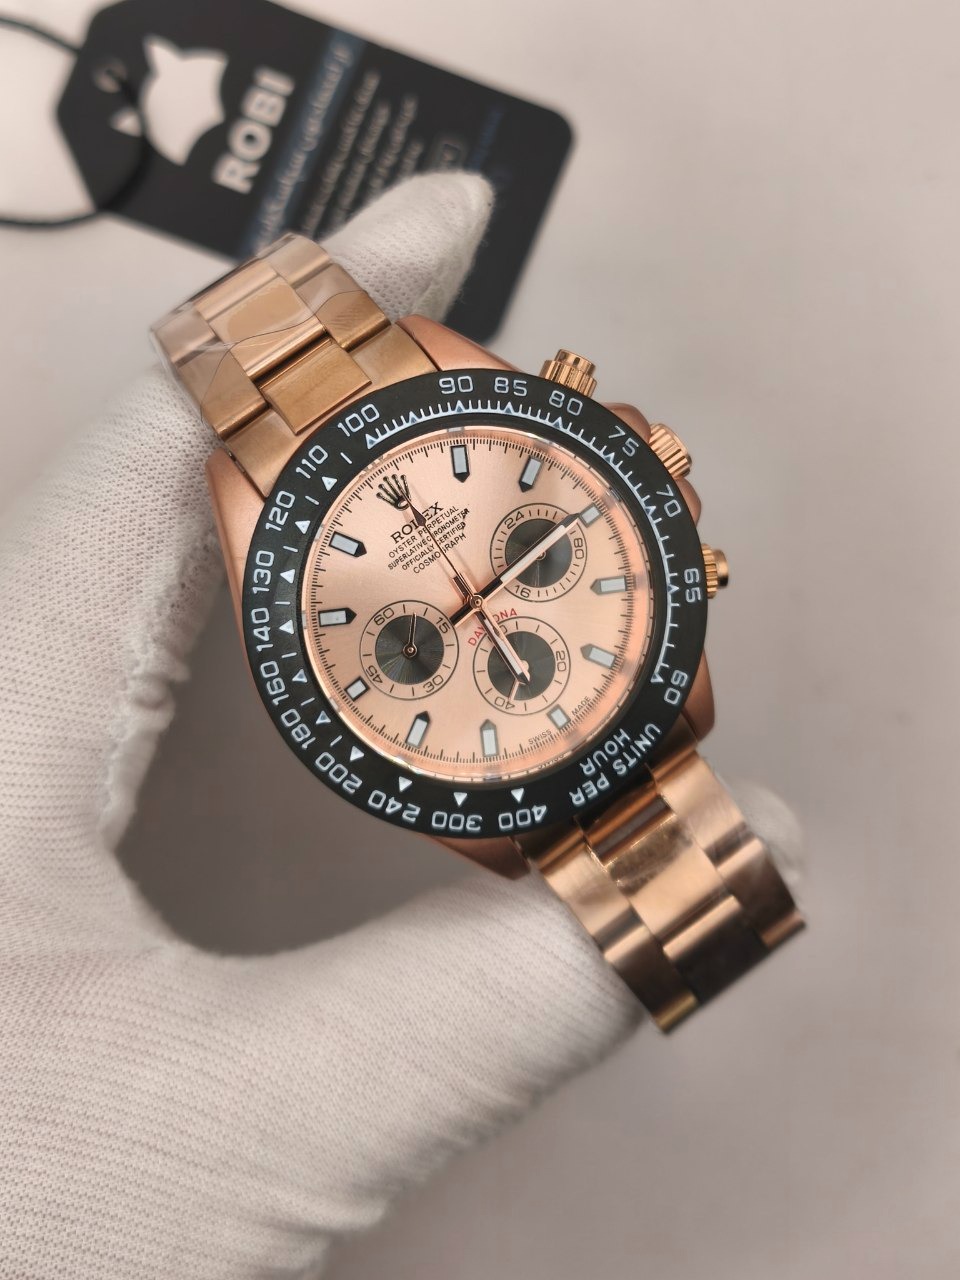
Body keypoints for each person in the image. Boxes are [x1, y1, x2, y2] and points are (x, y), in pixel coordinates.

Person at [0, 173, 799, 1278]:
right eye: (420, 636)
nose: (471, 601)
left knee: (706, 913)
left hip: (575, 728)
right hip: (539, 750)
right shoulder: (265, 512)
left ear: (640, 468)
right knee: (699, 920)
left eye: (527, 560)